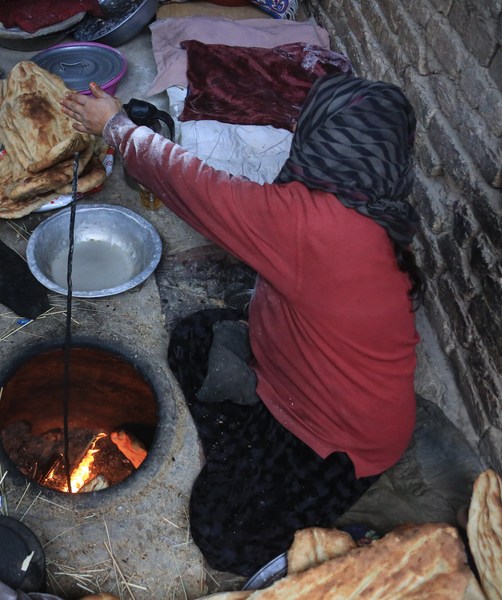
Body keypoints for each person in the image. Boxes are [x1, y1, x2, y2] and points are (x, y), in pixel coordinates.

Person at [60, 73, 424, 575]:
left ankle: (282, 480)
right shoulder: (373, 205)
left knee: (223, 535)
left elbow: (198, 189)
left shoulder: (310, 224)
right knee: (195, 336)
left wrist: (117, 127)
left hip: (337, 433)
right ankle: (251, 442)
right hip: (296, 370)